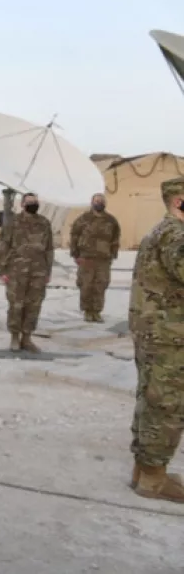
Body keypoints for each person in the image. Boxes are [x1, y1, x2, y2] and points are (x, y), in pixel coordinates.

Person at [127, 177, 184, 503]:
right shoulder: (175, 237)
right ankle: (153, 479)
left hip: (155, 333)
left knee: (151, 400)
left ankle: (144, 469)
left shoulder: (159, 232)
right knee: (169, 406)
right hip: (170, 337)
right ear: (178, 202)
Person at [0, 192, 54, 353]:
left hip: (38, 271)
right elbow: (3, 247)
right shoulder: (13, 223)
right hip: (16, 271)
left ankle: (27, 337)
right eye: (29, 202)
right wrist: (2, 270)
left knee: (34, 305)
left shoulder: (44, 223)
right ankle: (14, 336)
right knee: (16, 304)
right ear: (22, 204)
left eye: (35, 201)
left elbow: (49, 248)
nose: (32, 204)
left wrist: (48, 270)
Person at [69, 192, 120, 323]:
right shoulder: (83, 219)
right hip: (86, 258)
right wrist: (75, 254)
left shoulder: (111, 220)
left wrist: (113, 254)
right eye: (97, 201)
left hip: (103, 259)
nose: (99, 203)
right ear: (92, 203)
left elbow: (115, 238)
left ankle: (97, 311)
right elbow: (74, 236)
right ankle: (87, 311)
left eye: (101, 201)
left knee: (101, 285)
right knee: (86, 285)